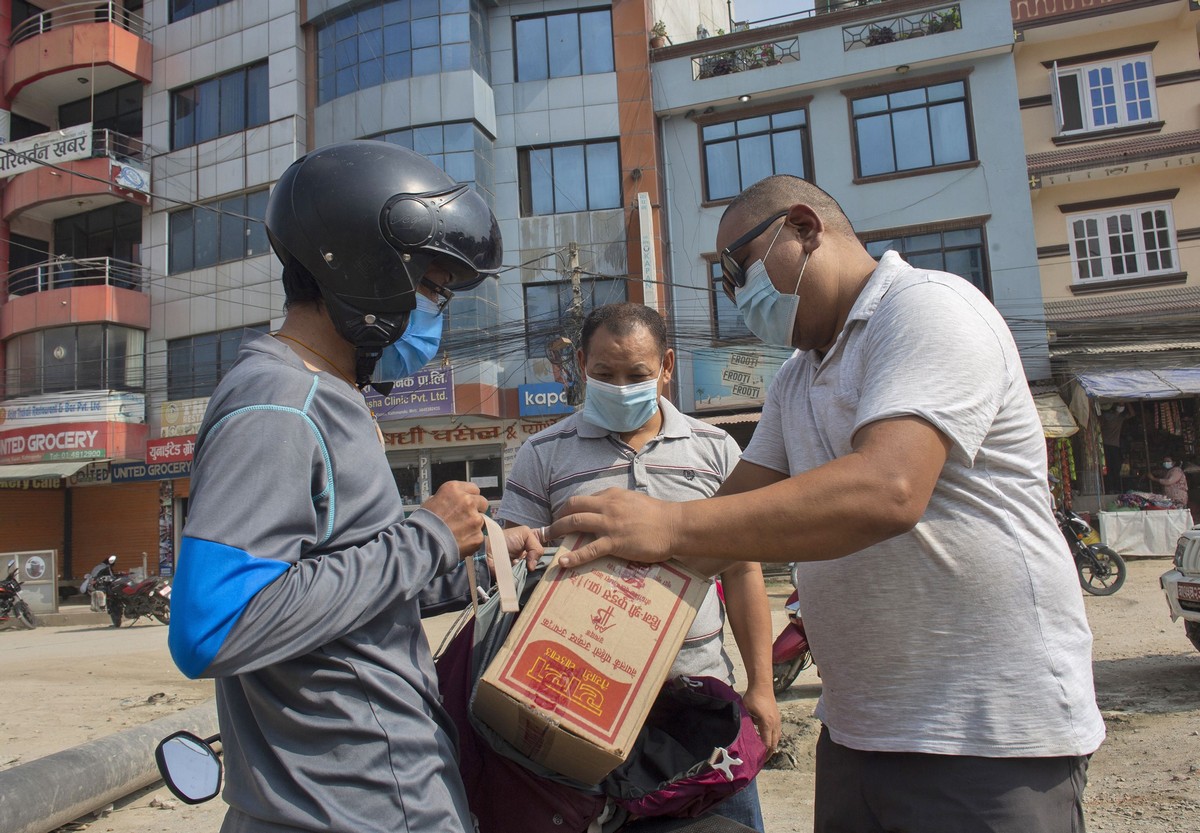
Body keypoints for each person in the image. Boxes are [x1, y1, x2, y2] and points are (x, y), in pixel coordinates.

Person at [547, 175, 1105, 833]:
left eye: (739, 269)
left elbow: (887, 489)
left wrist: (667, 521)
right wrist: (584, 596)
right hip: (858, 731)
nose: (738, 296)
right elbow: (724, 531)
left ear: (806, 228)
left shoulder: (926, 309)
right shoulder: (796, 376)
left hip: (985, 734)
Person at [167, 141, 542, 833]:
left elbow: (339, 591)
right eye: (434, 286)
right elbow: (213, 626)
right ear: (370, 271)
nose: (439, 309)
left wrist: (486, 559)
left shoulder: (326, 395)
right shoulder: (280, 404)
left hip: (363, 793)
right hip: (351, 802)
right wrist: (426, 533)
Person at [498, 302, 779, 832]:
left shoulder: (715, 450)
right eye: (604, 374)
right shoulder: (543, 454)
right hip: (583, 704)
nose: (620, 385)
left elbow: (743, 571)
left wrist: (760, 686)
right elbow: (514, 573)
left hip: (700, 706)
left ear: (667, 366)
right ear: (581, 363)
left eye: (638, 374)